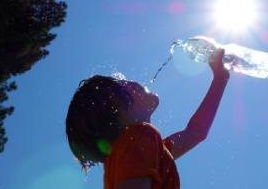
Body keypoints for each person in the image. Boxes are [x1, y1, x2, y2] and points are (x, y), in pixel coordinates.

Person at [65, 48, 230, 189]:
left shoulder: (143, 150)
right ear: (117, 108)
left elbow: (195, 132)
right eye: (122, 82)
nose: (130, 80)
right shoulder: (138, 137)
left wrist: (220, 79)